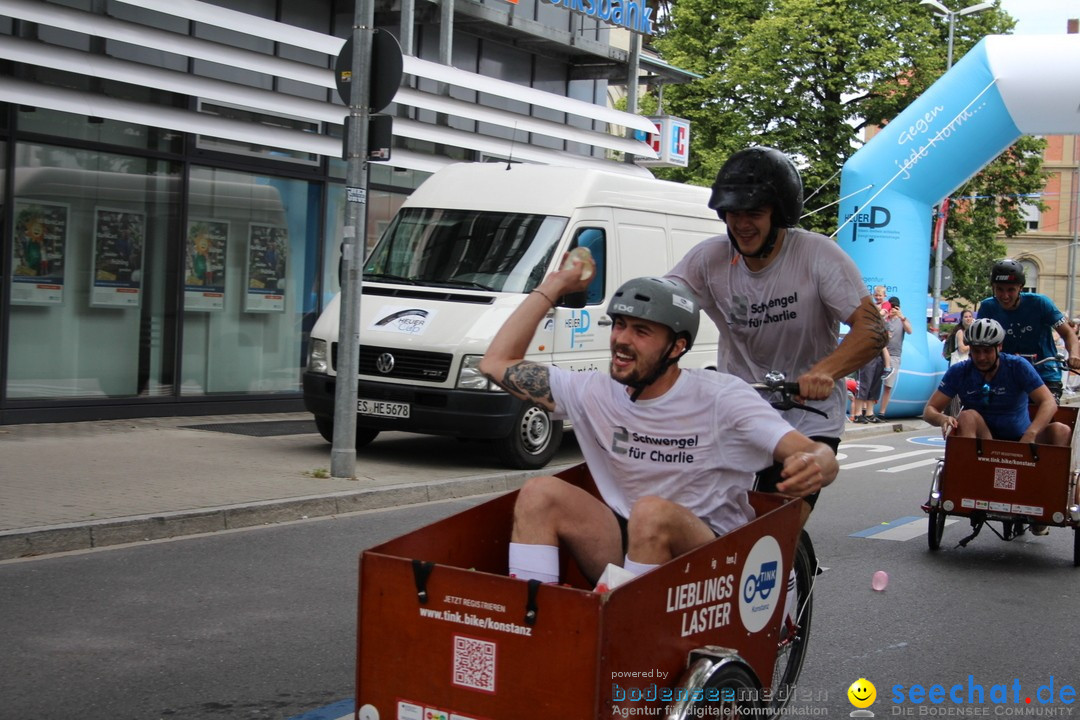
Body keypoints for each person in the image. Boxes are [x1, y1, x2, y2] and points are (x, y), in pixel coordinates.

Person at [478, 266, 839, 586]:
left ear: (676, 347)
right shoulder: (593, 391)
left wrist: (818, 464)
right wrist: (554, 286)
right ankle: (536, 623)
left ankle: (624, 631)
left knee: (651, 513)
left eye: (641, 331)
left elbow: (811, 451)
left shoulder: (721, 398)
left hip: (708, 553)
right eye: (619, 324)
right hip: (627, 536)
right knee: (540, 492)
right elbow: (496, 362)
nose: (621, 339)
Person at [666, 146, 885, 519]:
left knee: (776, 523)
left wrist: (824, 371)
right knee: (700, 516)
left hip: (807, 416)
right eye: (733, 213)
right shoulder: (709, 259)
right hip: (740, 410)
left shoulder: (819, 256)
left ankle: (788, 561)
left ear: (779, 214)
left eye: (754, 213)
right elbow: (663, 307)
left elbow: (872, 329)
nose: (741, 224)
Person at [922, 318, 1070, 448]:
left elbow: (1049, 402)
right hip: (985, 440)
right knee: (967, 416)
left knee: (1061, 430)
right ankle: (968, 469)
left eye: (987, 351)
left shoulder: (1017, 366)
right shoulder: (959, 371)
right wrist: (943, 418)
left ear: (999, 347)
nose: (981, 357)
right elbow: (930, 410)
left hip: (1022, 439)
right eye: (976, 351)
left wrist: (1031, 433)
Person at [976, 259, 1080, 400]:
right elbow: (979, 341)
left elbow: (1068, 333)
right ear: (993, 287)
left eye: (1011, 290)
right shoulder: (988, 307)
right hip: (1007, 373)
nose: (1005, 296)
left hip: (1044, 373)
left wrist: (1074, 354)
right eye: (999, 289)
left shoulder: (1040, 303)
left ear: (1020, 287)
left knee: (1046, 410)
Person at [877, 296, 912, 416]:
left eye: (895, 307)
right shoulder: (885, 319)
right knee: (874, 382)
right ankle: (869, 411)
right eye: (891, 307)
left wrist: (901, 316)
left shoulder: (902, 320)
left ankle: (882, 412)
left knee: (888, 386)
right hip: (879, 354)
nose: (892, 310)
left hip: (894, 355)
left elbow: (909, 330)